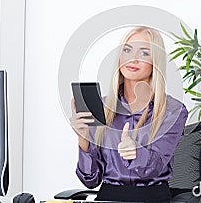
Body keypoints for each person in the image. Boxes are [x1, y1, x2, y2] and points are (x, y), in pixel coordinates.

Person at [70, 26, 188, 202]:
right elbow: (90, 180)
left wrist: (136, 153)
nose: (133, 59)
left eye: (144, 53)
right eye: (127, 50)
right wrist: (84, 140)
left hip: (151, 198)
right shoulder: (102, 108)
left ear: (156, 62)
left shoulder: (173, 111)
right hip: (108, 198)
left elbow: (155, 168)